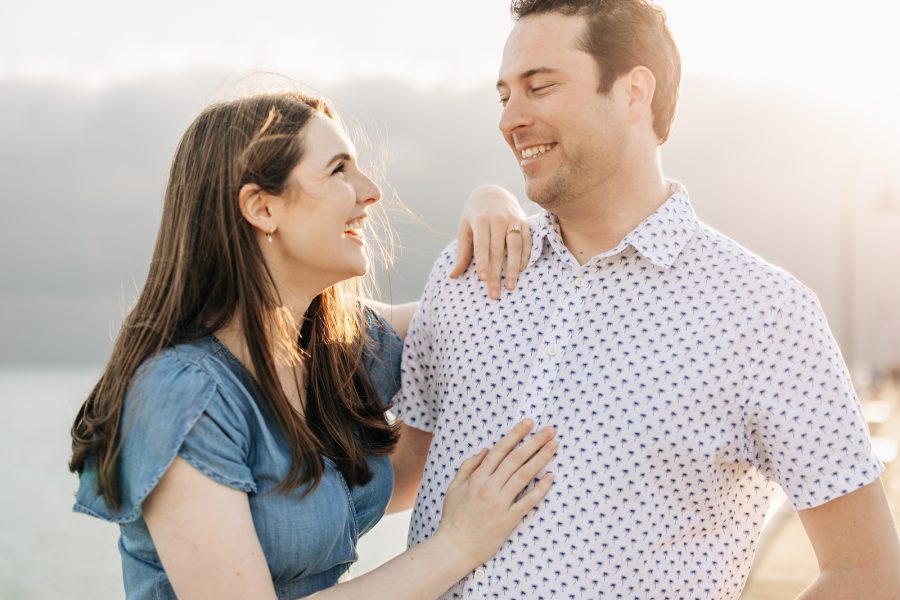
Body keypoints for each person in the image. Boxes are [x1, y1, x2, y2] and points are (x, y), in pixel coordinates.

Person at [391, 1, 900, 598]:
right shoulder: (465, 276)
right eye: (504, 96)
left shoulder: (765, 313)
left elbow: (867, 570)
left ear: (634, 93)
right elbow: (393, 479)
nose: (511, 120)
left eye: (540, 87)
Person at [69, 90, 559, 599]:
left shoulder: (341, 344)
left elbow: (461, 315)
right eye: (338, 171)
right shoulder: (180, 397)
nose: (371, 192)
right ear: (262, 208)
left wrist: (494, 201)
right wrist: (456, 546)